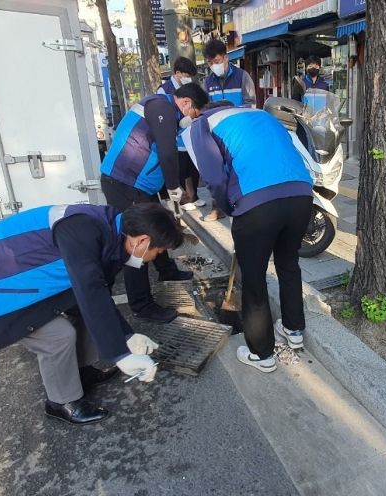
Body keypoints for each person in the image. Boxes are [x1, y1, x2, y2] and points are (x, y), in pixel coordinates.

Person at [0, 203, 185, 425]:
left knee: (85, 312)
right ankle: (61, 403)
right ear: (141, 240)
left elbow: (95, 298)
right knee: (58, 336)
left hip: (19, 283)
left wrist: (126, 336)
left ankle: (81, 372)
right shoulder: (84, 231)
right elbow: (90, 289)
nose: (153, 258)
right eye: (158, 252)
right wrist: (120, 354)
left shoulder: (110, 232)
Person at [182, 101, 314, 373]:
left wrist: (229, 207)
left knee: (253, 279)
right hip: (301, 195)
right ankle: (293, 328)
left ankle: (261, 354)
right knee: (288, 263)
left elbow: (214, 178)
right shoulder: (261, 115)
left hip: (257, 204)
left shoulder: (203, 124)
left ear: (204, 109)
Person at [100, 83, 209, 323]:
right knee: (139, 243)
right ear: (186, 103)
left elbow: (156, 156)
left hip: (139, 185)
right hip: (123, 183)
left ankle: (167, 272)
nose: (193, 118)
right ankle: (142, 305)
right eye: (195, 113)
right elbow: (167, 152)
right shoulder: (161, 107)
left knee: (158, 226)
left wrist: (164, 197)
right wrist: (173, 187)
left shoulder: (166, 109)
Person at [201, 40, 257, 222]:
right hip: (217, 135)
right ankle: (218, 207)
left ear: (226, 57)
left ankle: (244, 204)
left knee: (239, 170)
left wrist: (232, 111)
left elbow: (251, 104)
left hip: (240, 133)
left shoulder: (242, 77)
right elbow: (203, 107)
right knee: (217, 171)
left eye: (217, 60)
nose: (214, 65)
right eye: (210, 63)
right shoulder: (207, 82)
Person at [157, 56, 205, 212]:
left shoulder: (190, 88)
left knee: (193, 169)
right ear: (177, 73)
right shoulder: (164, 90)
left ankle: (194, 196)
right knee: (181, 170)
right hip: (176, 139)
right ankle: (181, 200)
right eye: (186, 75)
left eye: (190, 75)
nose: (188, 78)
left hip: (190, 136)